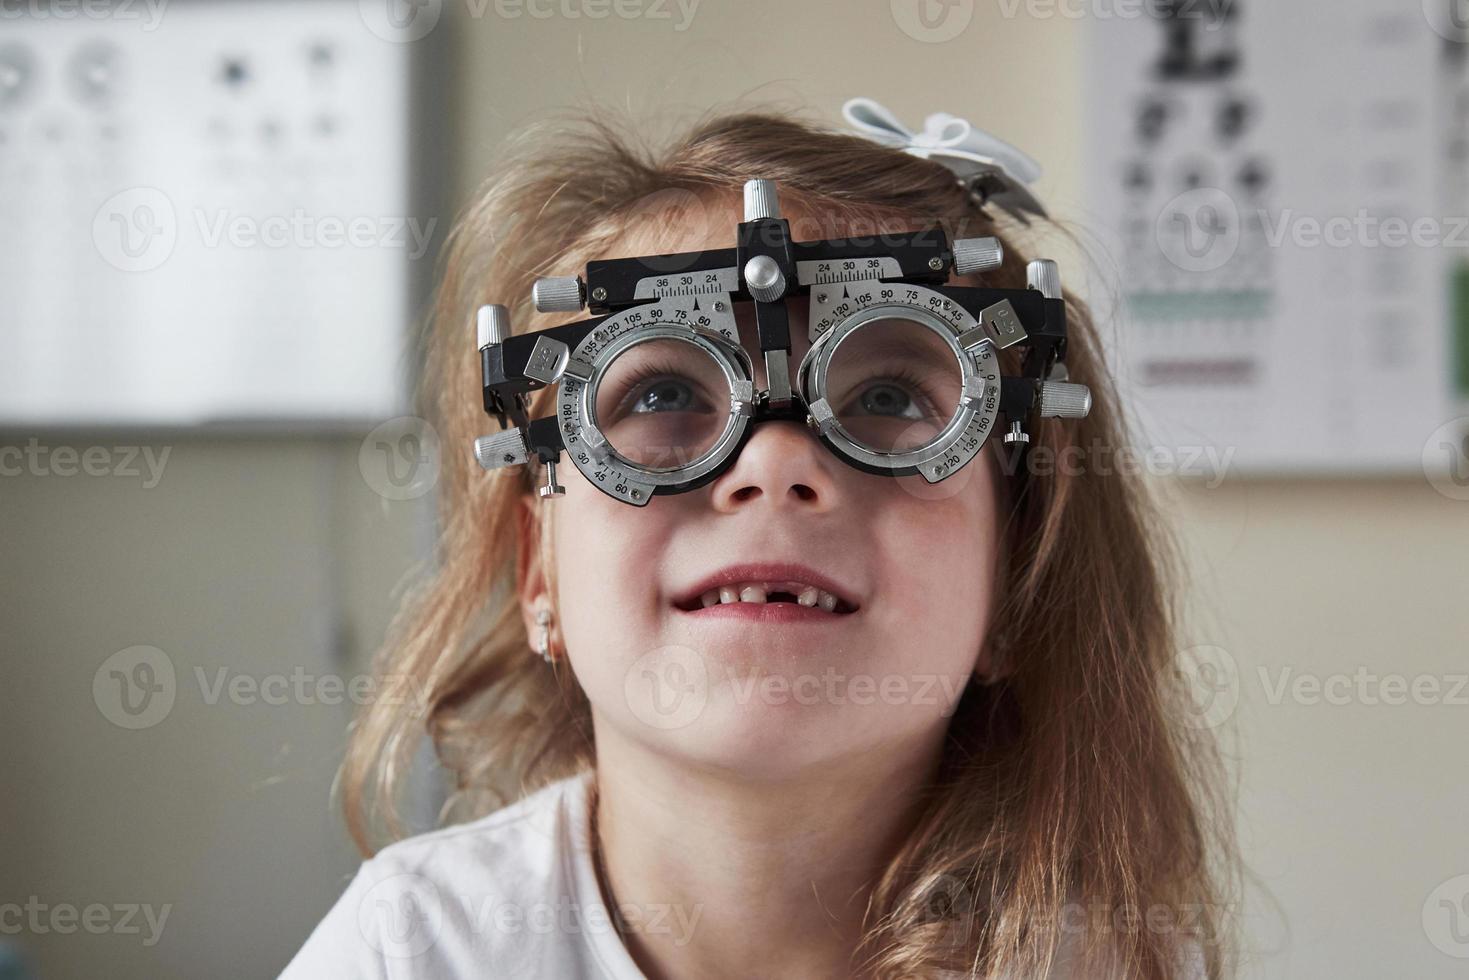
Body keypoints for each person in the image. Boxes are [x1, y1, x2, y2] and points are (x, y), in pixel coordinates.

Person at [279, 102, 1236, 979]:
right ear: (540, 574)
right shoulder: (418, 950)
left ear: (1013, 577)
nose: (775, 465)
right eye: (659, 396)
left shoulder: (1099, 965)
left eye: (892, 400)